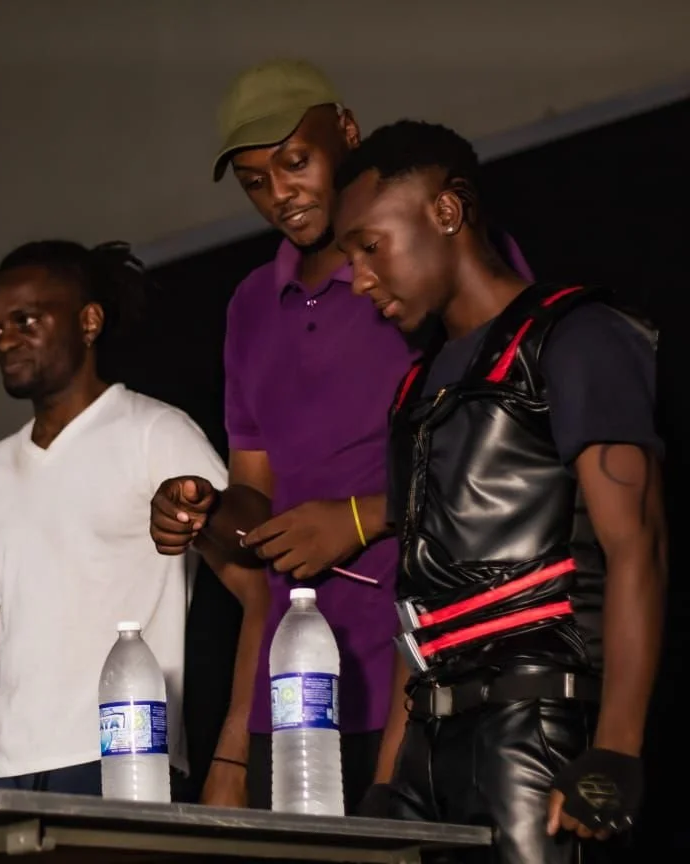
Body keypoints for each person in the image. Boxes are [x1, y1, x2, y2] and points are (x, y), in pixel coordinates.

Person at [151, 59, 534, 813]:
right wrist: (202, 510)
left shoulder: (429, 266)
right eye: (255, 181)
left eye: (295, 161)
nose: (280, 193)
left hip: (425, 676)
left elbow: (511, 452)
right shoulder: (249, 307)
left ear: (348, 132)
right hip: (293, 704)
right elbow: (256, 504)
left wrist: (357, 517)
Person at [333, 119, 664, 863]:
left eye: (368, 246)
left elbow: (637, 545)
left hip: (536, 731)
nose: (357, 278)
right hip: (427, 742)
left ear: (445, 212)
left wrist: (616, 750)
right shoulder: (415, 389)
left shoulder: (577, 336)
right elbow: (417, 602)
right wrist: (389, 776)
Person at [0, 240, 228, 795]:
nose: (5, 340)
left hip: (122, 756)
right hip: (7, 771)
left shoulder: (156, 433)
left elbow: (258, 587)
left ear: (88, 321)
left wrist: (233, 760)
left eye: (25, 320)